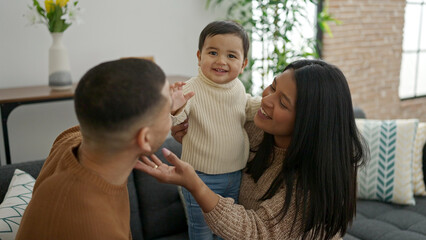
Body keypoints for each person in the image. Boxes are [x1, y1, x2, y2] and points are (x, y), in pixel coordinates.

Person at [135, 59, 368, 239]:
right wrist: (186, 129)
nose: (267, 99)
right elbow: (219, 128)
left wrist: (194, 183)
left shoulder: (313, 182)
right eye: (273, 86)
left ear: (309, 122)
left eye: (283, 102)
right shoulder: (258, 128)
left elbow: (256, 232)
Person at [16, 58, 182, 239]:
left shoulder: (68, 141)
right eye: (167, 109)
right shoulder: (94, 228)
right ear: (144, 138)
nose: (171, 111)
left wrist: (162, 107)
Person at [170, 20, 260, 239]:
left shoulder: (238, 87)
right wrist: (177, 107)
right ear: (199, 57)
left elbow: (247, 107)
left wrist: (268, 103)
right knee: (201, 231)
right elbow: (178, 120)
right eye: (213, 52)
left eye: (231, 56)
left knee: (227, 230)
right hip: (200, 176)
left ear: (243, 63)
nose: (221, 61)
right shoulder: (191, 88)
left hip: (235, 174)